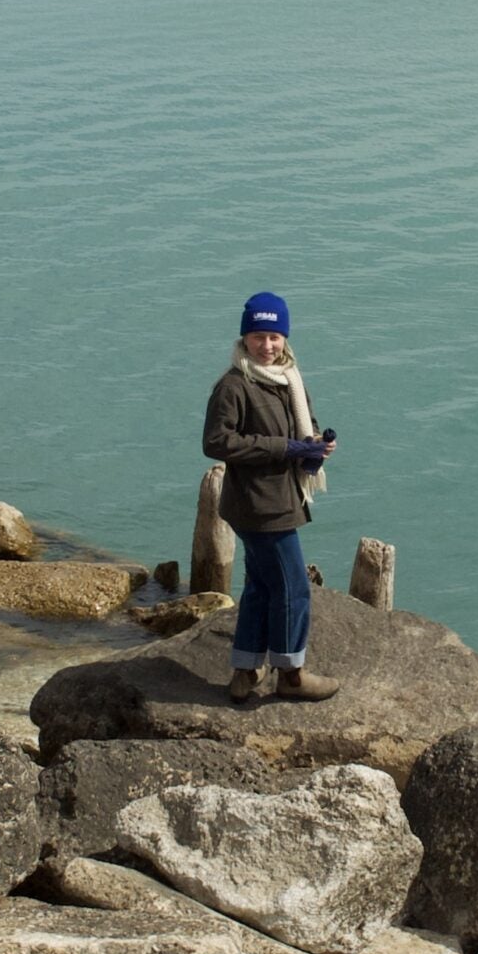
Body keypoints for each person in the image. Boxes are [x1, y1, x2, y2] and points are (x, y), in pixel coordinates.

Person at [203, 292, 339, 704]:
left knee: (261, 586)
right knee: (294, 588)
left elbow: (304, 430)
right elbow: (216, 442)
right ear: (244, 338)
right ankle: (291, 675)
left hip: (282, 497)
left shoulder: (289, 380)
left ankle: (245, 672)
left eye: (275, 337)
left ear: (285, 339)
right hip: (259, 505)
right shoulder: (233, 386)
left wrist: (314, 451)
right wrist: (286, 449)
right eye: (259, 336)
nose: (267, 346)